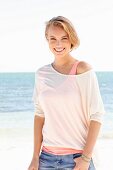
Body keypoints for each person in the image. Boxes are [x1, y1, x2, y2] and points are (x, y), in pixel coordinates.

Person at [28, 16, 105, 170]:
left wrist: (85, 158)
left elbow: (96, 116)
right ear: (47, 40)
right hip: (46, 159)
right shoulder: (41, 74)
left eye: (64, 38)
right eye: (53, 38)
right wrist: (35, 157)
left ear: (72, 39)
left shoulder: (82, 70)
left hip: (77, 158)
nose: (58, 44)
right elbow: (39, 115)